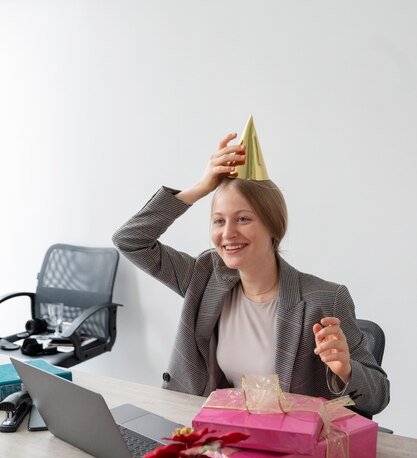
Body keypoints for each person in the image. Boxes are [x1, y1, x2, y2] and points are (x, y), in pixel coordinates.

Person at [113, 120, 389, 416]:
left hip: (286, 449)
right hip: (215, 435)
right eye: (219, 221)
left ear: (273, 226)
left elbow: (379, 396)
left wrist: (346, 370)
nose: (228, 233)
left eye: (243, 219)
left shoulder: (325, 299)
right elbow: (130, 240)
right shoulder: (206, 276)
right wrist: (201, 187)